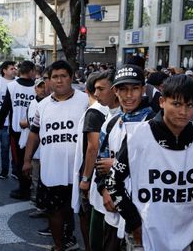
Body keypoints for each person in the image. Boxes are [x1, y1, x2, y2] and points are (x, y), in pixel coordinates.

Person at [105, 75, 193, 251]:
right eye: (177, 104)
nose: (183, 112)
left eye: (190, 105)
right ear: (162, 102)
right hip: (145, 235)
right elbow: (112, 181)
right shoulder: (137, 135)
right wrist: (134, 223)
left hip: (188, 236)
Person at [23, 60, 88, 251]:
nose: (59, 81)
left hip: (80, 171)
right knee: (55, 212)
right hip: (52, 170)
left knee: (84, 214)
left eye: (63, 76)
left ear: (72, 77)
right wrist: (27, 160)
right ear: (49, 80)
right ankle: (60, 246)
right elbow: (34, 134)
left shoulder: (85, 101)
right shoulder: (42, 106)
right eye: (55, 77)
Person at [95, 64, 156, 250]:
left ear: (143, 89)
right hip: (113, 212)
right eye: (123, 89)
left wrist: (117, 164)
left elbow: (160, 166)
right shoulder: (111, 123)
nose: (129, 95)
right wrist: (104, 189)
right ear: (115, 91)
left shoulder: (154, 123)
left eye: (134, 89)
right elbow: (99, 162)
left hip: (143, 214)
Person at [71, 73, 108, 251]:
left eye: (102, 89)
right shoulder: (109, 110)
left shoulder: (94, 112)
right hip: (103, 176)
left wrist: (85, 179)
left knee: (88, 218)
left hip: (94, 177)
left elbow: (92, 147)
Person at [88, 70, 120, 251]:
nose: (96, 94)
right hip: (102, 195)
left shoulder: (144, 119)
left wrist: (116, 165)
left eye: (101, 89)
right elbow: (100, 158)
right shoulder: (106, 116)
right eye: (94, 89)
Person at [0, 60, 36, 199]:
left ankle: (23, 188)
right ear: (31, 71)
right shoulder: (38, 87)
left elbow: (5, 107)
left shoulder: (12, 86)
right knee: (32, 160)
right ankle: (30, 187)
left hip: (16, 129)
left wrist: (0, 124)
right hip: (34, 130)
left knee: (19, 160)